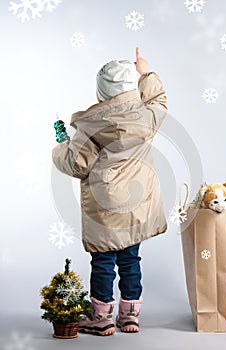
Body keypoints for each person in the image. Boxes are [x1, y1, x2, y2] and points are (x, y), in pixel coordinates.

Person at [52, 48, 168, 336]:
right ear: (131, 91)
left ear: (99, 94)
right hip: (137, 205)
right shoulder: (147, 117)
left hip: (105, 208)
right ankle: (130, 316)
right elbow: (158, 99)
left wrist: (62, 145)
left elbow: (77, 165)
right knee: (131, 259)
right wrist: (146, 72)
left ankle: (101, 316)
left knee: (103, 260)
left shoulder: (91, 126)